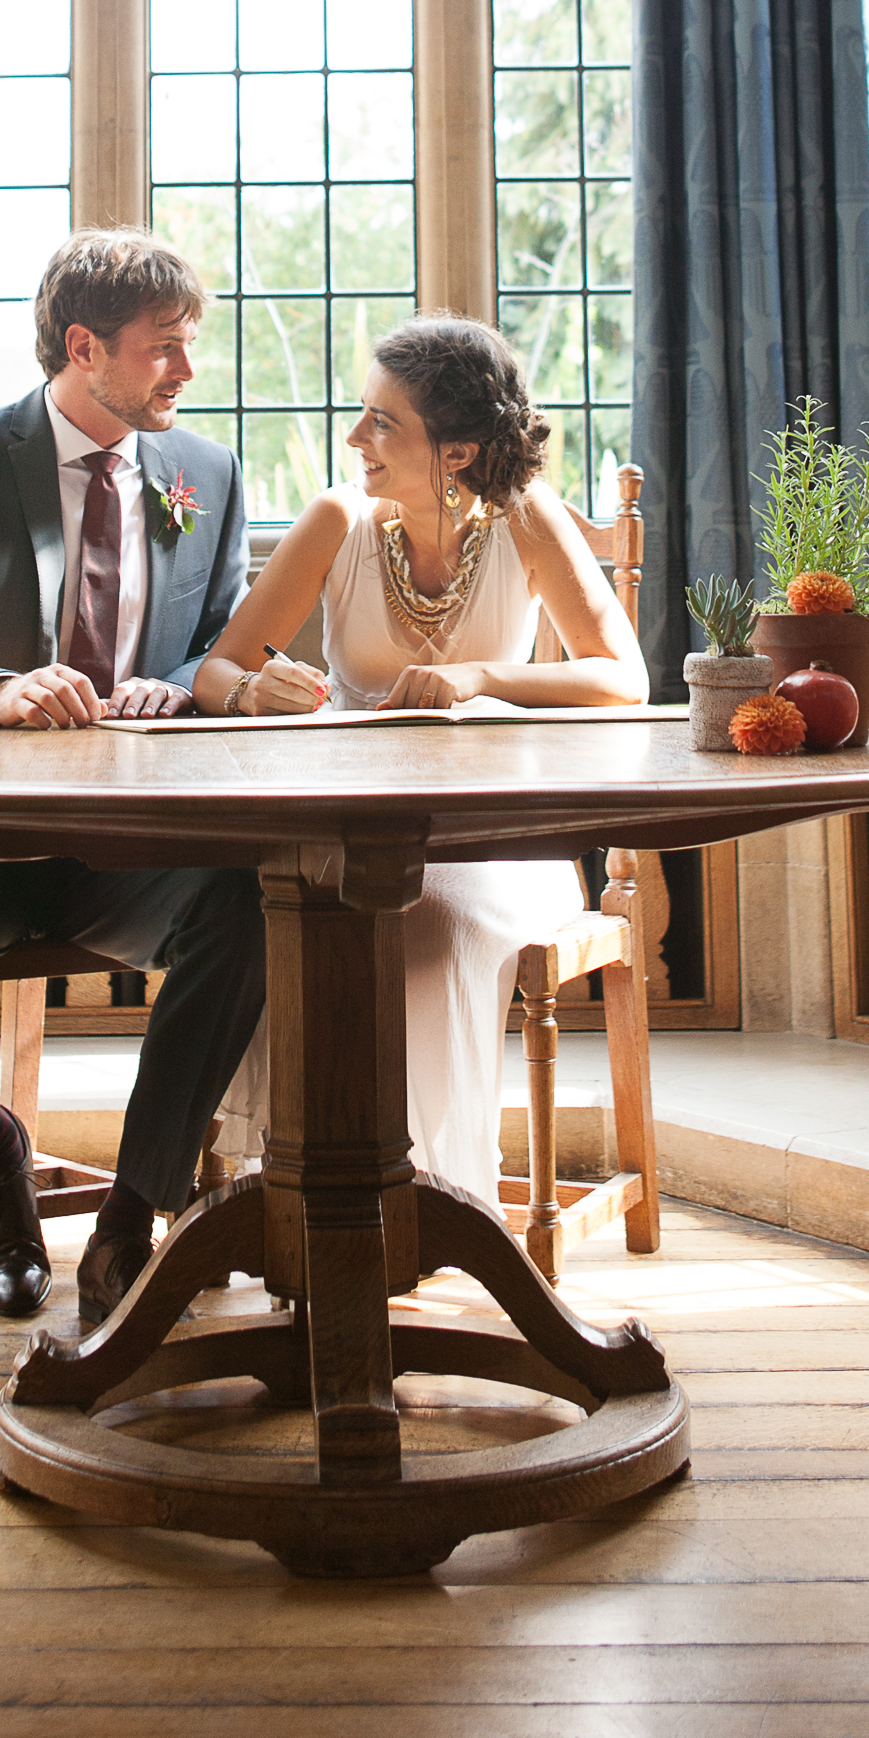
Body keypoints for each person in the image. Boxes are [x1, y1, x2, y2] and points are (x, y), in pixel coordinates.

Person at [0, 231, 263, 1331]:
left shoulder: (204, 473)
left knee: (259, 908)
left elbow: (223, 635)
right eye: (164, 349)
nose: (186, 370)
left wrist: (182, 683)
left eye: (190, 347)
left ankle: (134, 1216)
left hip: (135, 848)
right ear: (84, 346)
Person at [190, 313, 646, 1202]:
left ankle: (428, 1199)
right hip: (342, 823)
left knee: (427, 923)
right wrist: (254, 693)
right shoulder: (336, 522)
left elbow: (621, 676)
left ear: (458, 453)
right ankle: (297, 1190)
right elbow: (215, 669)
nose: (355, 438)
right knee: (283, 910)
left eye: (381, 422)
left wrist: (482, 677)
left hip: (494, 840)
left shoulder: (526, 521)